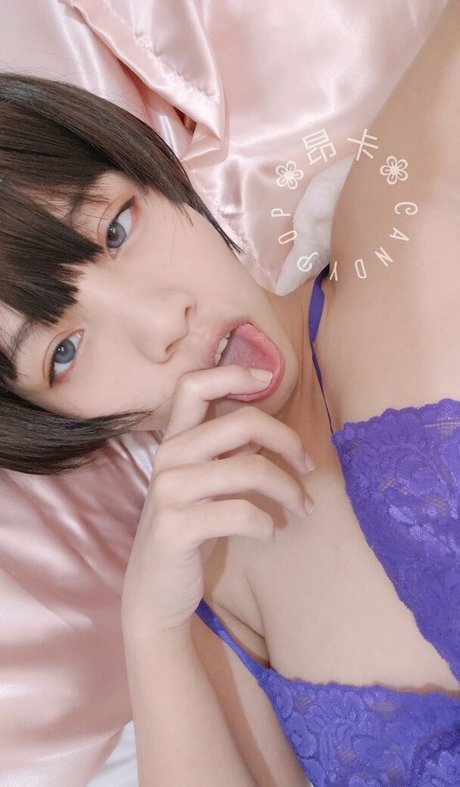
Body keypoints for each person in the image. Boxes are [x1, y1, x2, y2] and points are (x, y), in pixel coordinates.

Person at [0, 2, 459, 784]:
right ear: (52, 423)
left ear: (157, 173)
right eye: (64, 352)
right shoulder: (207, 605)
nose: (161, 322)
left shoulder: (404, 219)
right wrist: (151, 631)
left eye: (116, 230)